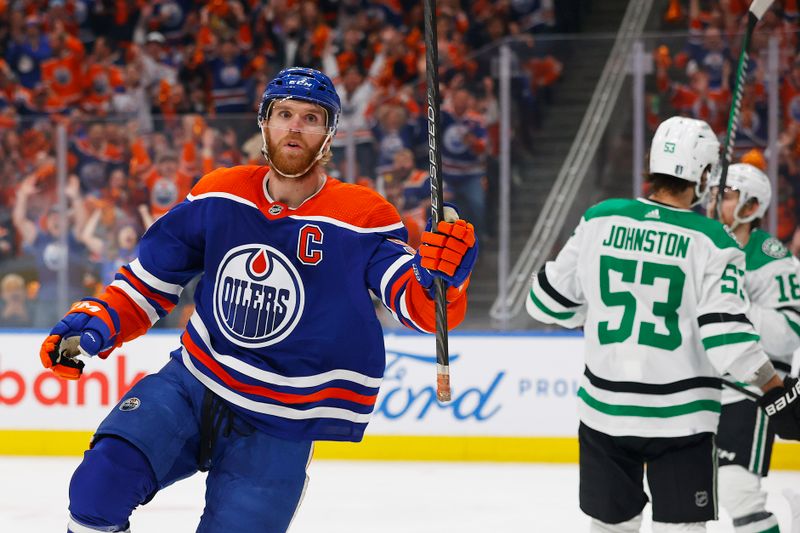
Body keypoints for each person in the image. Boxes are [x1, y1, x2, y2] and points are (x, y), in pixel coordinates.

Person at [38, 67, 478, 533]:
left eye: (311, 118)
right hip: (193, 383)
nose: (294, 127)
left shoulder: (363, 215)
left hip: (282, 419)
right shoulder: (220, 191)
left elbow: (414, 303)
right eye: (284, 113)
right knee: (98, 485)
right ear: (264, 123)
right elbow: (150, 278)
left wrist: (442, 280)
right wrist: (101, 318)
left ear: (329, 135)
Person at [525, 116, 800, 532]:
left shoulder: (601, 217)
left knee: (611, 527)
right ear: (704, 174)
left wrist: (596, 310)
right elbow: (727, 335)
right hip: (682, 420)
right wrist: (774, 391)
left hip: (605, 413)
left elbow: (544, 303)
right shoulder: (713, 239)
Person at [706, 163, 800, 533]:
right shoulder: (702, 245)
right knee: (691, 497)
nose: (714, 204)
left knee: (738, 492)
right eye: (712, 195)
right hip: (701, 389)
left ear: (751, 206)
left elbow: (789, 333)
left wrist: (732, 298)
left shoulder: (773, 259)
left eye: (725, 196)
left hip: (751, 387)